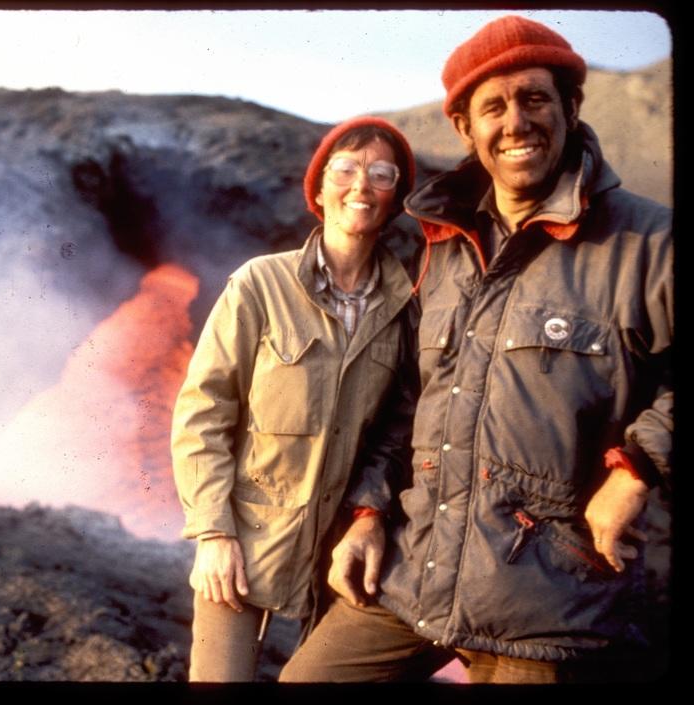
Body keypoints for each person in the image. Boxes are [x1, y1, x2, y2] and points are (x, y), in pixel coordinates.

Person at [281, 15, 672, 683]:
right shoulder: (443, 246)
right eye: (491, 107)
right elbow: (408, 397)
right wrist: (368, 511)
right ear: (465, 128)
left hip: (555, 601)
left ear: (570, 108)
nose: (515, 121)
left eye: (534, 99)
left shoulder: (647, 243)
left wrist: (634, 468)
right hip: (417, 573)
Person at [171, 116, 419, 682]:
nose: (362, 185)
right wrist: (212, 532)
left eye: (382, 174)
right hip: (246, 543)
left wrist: (366, 515)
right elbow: (203, 412)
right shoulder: (260, 284)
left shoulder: (404, 308)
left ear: (395, 197)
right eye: (347, 169)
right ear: (319, 188)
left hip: (338, 556)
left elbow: (394, 433)